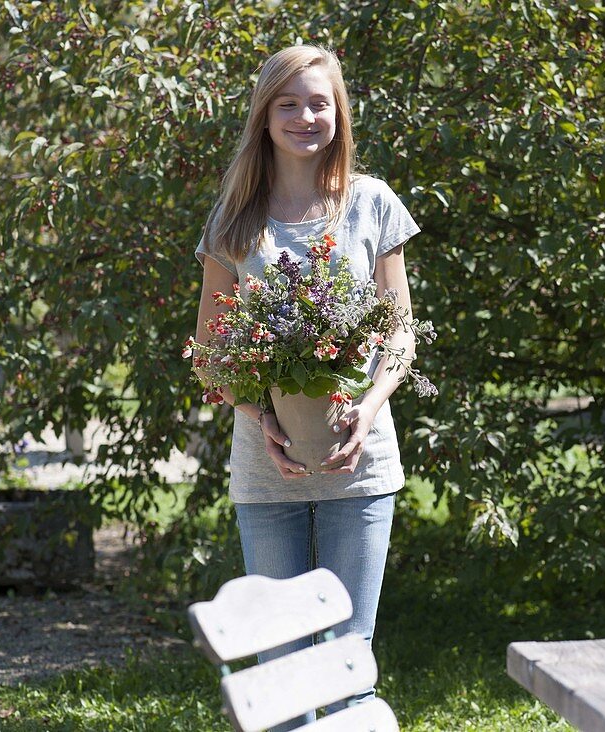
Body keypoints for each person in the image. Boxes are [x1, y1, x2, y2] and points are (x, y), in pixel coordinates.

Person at [191, 45, 421, 719]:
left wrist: (372, 407)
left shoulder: (371, 204)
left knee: (349, 666)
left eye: (319, 102)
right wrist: (260, 415)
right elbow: (211, 351)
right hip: (267, 473)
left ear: (338, 113)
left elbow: (401, 331)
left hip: (361, 465)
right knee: (282, 675)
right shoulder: (235, 221)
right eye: (287, 103)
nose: (304, 116)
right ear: (264, 117)